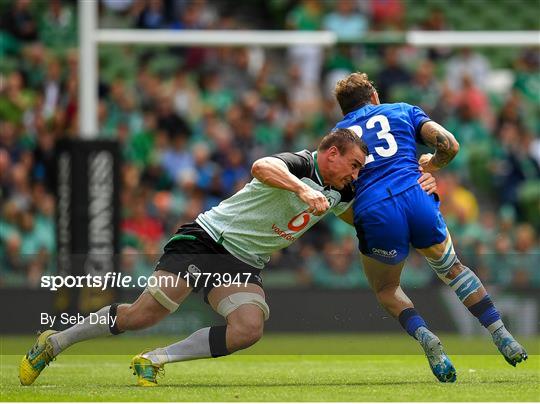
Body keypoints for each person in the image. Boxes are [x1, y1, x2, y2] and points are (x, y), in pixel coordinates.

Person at [18, 129, 436, 387]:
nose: (357, 174)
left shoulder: (343, 190)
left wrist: (418, 186)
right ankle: (53, 343)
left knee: (249, 328)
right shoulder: (299, 164)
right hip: (207, 239)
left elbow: (366, 213)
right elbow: (261, 165)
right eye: (354, 165)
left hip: (244, 262)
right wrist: (302, 189)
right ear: (331, 154)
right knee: (140, 316)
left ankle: (154, 360)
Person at [332, 72, 527, 383]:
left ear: (344, 110)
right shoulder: (402, 110)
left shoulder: (335, 138)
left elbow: (337, 197)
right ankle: (502, 334)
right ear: (374, 97)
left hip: (374, 210)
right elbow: (449, 144)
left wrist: (370, 217)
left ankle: (428, 340)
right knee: (453, 269)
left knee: (386, 288)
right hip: (417, 196)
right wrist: (431, 166)